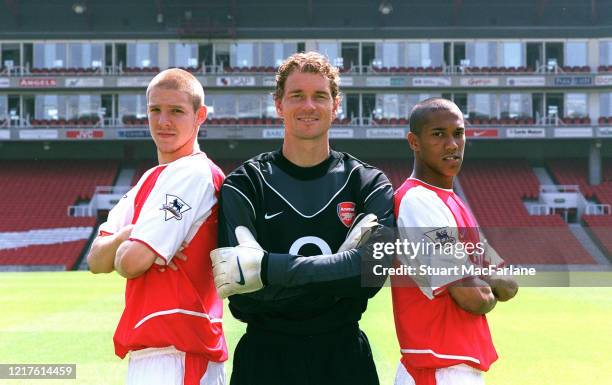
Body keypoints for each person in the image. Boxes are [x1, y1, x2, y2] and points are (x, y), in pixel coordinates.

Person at [210, 51, 394, 385]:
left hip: (345, 359)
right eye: (297, 95)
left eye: (320, 96)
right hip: (265, 359)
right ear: (278, 104)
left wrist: (265, 268)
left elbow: (371, 273)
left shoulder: (368, 183)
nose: (308, 106)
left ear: (335, 105)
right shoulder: (245, 184)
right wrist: (341, 270)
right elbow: (241, 293)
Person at [86, 68, 227, 385]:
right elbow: (95, 260)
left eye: (176, 111)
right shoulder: (147, 181)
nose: (163, 121)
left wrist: (126, 245)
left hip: (183, 354)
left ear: (199, 115)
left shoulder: (195, 173)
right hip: (150, 353)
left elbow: (131, 263)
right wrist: (129, 234)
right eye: (155, 110)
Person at [392, 97, 518, 385]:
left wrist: (472, 270)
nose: (452, 144)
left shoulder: (452, 202)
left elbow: (510, 284)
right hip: (435, 368)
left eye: (458, 133)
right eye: (438, 134)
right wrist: (479, 274)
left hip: (455, 366)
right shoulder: (418, 201)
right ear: (414, 141)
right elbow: (474, 297)